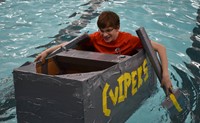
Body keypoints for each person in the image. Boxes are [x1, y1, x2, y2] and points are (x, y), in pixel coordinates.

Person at [35, 11, 172, 95]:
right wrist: (47, 52)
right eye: (102, 30)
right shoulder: (96, 38)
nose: (105, 35)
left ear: (117, 28)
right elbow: (68, 45)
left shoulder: (130, 40)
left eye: (109, 30)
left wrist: (165, 75)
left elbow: (160, 48)